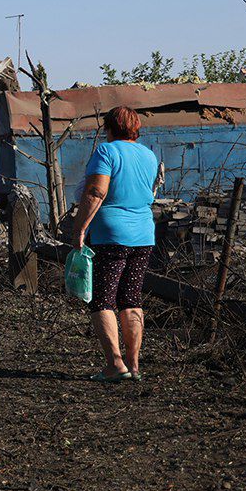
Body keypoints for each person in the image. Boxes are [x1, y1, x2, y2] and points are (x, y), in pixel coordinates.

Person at [72, 106, 159, 383]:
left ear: (110, 127)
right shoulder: (149, 155)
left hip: (111, 233)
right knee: (131, 298)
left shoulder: (106, 152)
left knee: (102, 299)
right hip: (144, 234)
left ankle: (114, 363)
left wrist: (80, 228)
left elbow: (97, 191)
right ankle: (134, 364)